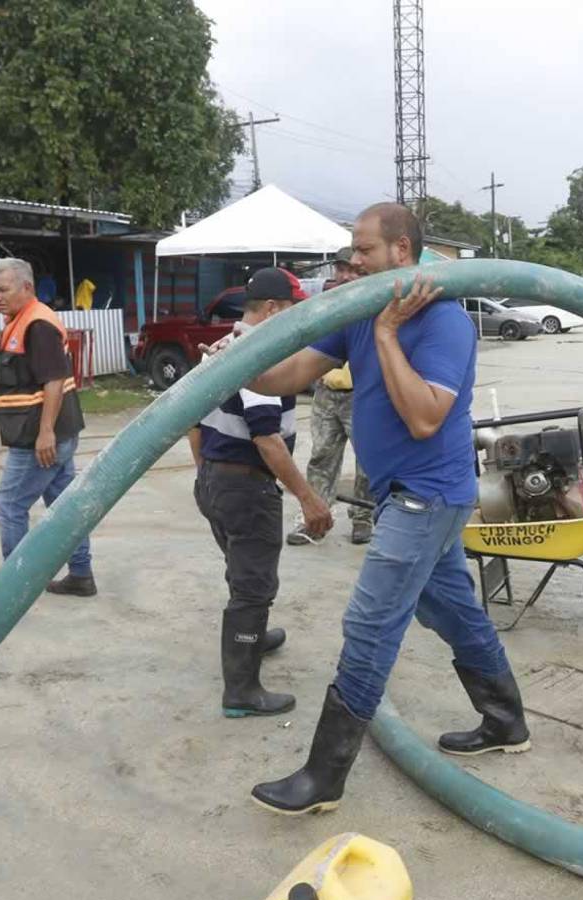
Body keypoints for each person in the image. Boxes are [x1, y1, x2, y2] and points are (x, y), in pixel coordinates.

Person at [243, 204, 531, 816]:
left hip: (430, 495)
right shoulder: (362, 309)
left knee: (370, 624)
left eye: (364, 250)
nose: (353, 261)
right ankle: (506, 719)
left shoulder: (445, 323)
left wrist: (384, 334)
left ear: (402, 251)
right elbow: (288, 374)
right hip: (405, 493)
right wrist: (235, 363)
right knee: (450, 611)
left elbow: (426, 417)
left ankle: (324, 776)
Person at [188, 268, 332, 718]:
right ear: (272, 309)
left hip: (215, 478)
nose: (297, 321)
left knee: (241, 569)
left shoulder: (223, 347)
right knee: (253, 586)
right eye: (292, 310)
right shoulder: (259, 357)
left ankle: (252, 637)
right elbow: (267, 440)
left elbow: (192, 423)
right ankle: (242, 691)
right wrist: (309, 497)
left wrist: (209, 473)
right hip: (244, 485)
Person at [0, 257, 96, 600]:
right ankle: (81, 575)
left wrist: (45, 433)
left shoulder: (36, 325)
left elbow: (54, 381)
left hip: (39, 438)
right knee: (64, 507)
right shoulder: (22, 319)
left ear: (26, 287)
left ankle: (13, 590)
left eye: (4, 289)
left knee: (9, 504)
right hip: (51, 433)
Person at [286, 248, 374, 547]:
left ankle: (363, 519)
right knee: (322, 456)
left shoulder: (372, 305)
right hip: (327, 393)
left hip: (361, 394)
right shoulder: (326, 305)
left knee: (367, 461)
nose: (346, 275)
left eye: (353, 269)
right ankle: (315, 519)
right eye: (341, 269)